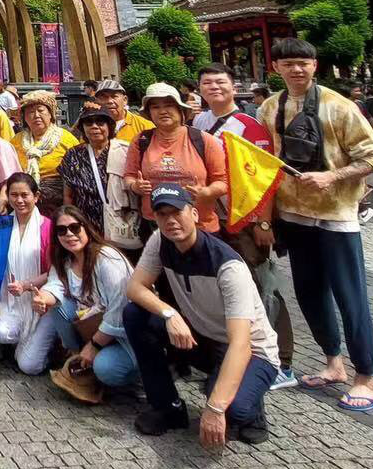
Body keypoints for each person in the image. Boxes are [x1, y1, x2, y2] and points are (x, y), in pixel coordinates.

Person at [257, 38, 373, 412]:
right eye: (288, 64)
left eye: (304, 63)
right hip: (295, 215)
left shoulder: (339, 106)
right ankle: (334, 363)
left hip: (335, 215)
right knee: (310, 293)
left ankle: (367, 376)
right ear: (277, 68)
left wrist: (334, 177)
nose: (297, 70)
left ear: (315, 66)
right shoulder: (270, 107)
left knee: (351, 296)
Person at [124, 185, 280, 445]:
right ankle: (167, 407)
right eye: (162, 214)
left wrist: (216, 408)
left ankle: (252, 410)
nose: (171, 220)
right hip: (202, 337)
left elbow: (241, 344)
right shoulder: (160, 240)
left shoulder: (228, 266)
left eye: (177, 212)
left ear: (195, 214)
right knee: (135, 315)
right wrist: (170, 313)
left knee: (232, 409)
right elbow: (135, 288)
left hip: (251, 349)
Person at [193, 64, 295, 388]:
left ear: (232, 86)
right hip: (215, 220)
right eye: (207, 83)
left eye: (220, 82)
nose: (214, 88)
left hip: (247, 222)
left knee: (263, 288)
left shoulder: (249, 126)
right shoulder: (199, 121)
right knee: (227, 290)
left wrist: (264, 220)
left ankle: (282, 361)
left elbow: (265, 178)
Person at [22, 202, 139, 398]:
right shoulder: (66, 261)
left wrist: (94, 346)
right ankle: (78, 355)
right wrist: (43, 298)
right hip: (95, 325)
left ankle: (135, 375)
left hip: (124, 333)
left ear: (86, 227)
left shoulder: (107, 259)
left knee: (106, 369)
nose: (69, 234)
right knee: (58, 306)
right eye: (61, 230)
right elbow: (54, 286)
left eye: (74, 227)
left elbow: (120, 311)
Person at [123, 83, 229, 236]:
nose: (163, 111)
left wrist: (207, 192)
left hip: (200, 226)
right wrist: (135, 186)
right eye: (155, 107)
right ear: (149, 113)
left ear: (180, 110)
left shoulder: (203, 140)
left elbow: (223, 181)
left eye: (168, 105)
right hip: (156, 226)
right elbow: (129, 176)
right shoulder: (141, 140)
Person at [0, 172, 50, 362]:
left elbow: (55, 271)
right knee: (2, 333)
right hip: (10, 303)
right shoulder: (3, 226)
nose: (20, 200)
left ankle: (47, 341)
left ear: (36, 196)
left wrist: (27, 285)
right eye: (14, 195)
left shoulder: (48, 227)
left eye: (25, 195)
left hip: (42, 302)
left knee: (29, 365)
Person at [59, 108, 119, 242]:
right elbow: (68, 195)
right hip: (85, 222)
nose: (94, 127)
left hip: (118, 221)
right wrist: (71, 221)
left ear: (109, 126)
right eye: (89, 123)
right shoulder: (73, 155)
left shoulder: (122, 151)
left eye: (100, 123)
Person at [16, 90, 76, 216]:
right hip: (23, 202)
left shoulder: (66, 138)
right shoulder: (16, 141)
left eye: (41, 110)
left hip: (59, 201)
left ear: (51, 114)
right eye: (31, 112)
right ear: (24, 117)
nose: (36, 115)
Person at [94, 79, 153, 145]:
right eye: (104, 97)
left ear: (125, 100)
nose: (109, 101)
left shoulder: (145, 126)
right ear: (97, 102)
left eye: (114, 96)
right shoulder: (91, 126)